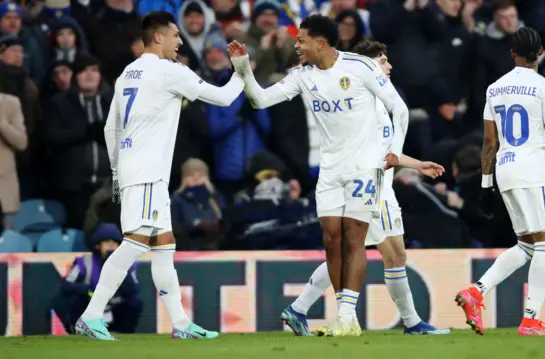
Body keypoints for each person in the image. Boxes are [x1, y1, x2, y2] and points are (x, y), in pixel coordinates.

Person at [228, 15, 410, 336]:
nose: (296, 45)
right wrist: (243, 68)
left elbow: (400, 108)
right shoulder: (301, 76)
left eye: (301, 40)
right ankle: (346, 319)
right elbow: (259, 100)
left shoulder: (360, 67)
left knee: (354, 238)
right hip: (329, 171)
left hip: (365, 167)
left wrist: (395, 149)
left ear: (320, 43)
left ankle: (346, 315)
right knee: (331, 241)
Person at [74, 11, 246, 341]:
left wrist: (117, 169)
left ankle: (180, 323)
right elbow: (224, 98)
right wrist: (241, 70)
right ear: (158, 38)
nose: (180, 42)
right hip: (149, 171)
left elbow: (112, 126)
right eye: (176, 36)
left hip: (135, 169)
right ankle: (92, 314)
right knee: (135, 244)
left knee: (164, 246)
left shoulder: (127, 73)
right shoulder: (169, 71)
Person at [279, 40, 449, 336]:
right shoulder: (364, 103)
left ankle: (299, 308)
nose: (389, 66)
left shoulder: (379, 102)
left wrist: (416, 163)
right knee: (390, 254)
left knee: (371, 253)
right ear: (369, 67)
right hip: (369, 185)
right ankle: (412, 323)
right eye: (382, 61)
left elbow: (386, 151)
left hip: (383, 186)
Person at [454, 27, 545, 337]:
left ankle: (476, 292)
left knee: (526, 245)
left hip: (505, 169)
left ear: (512, 53)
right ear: (540, 52)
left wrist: (486, 184)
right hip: (533, 169)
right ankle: (531, 320)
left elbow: (489, 142)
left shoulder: (494, 88)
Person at [52, 223, 143, 335]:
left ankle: (125, 333)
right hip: (91, 307)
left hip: (115, 309)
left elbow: (134, 290)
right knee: (76, 299)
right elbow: (66, 286)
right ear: (98, 245)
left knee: (135, 302)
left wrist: (121, 269)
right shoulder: (84, 262)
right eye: (107, 242)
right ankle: (79, 330)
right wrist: (87, 290)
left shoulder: (128, 264)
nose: (111, 246)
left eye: (114, 243)